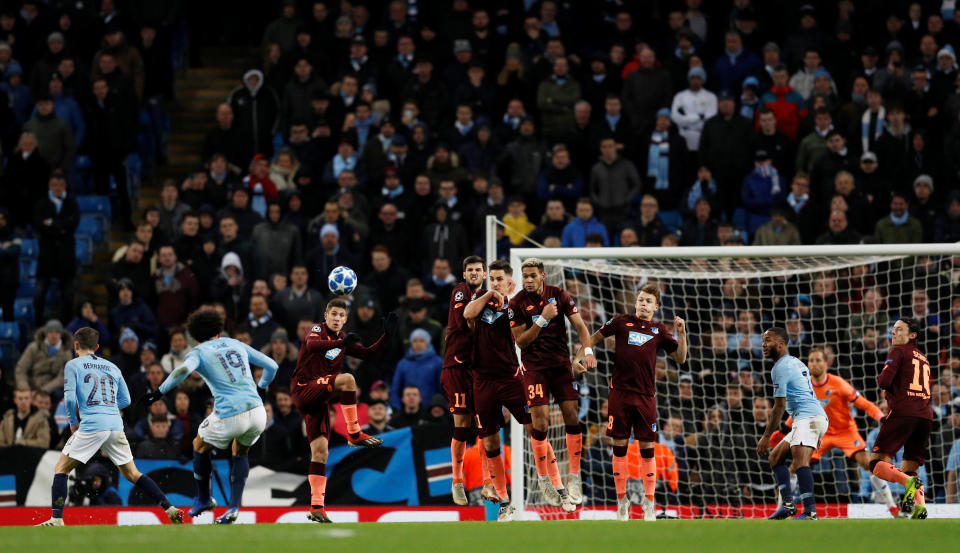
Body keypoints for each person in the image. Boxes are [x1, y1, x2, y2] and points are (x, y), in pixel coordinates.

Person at [140, 309, 279, 524]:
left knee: (199, 445)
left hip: (231, 413)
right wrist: (261, 389)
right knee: (240, 451)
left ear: (194, 336)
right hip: (258, 412)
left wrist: (158, 393)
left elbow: (181, 372)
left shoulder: (198, 351)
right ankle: (233, 507)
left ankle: (204, 498)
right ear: (218, 330)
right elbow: (272, 365)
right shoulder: (236, 343)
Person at [36, 327, 183, 526]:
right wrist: (108, 408)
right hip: (115, 424)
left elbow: (70, 400)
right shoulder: (112, 367)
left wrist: (73, 423)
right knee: (133, 473)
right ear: (96, 347)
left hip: (92, 425)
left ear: (76, 345)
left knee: (61, 469)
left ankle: (56, 518)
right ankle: (169, 508)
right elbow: (126, 400)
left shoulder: (73, 365)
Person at [464, 259, 576, 520]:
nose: (495, 282)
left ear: (510, 280)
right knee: (490, 441)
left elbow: (524, 338)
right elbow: (468, 314)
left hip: (511, 377)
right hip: (482, 381)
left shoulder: (516, 306)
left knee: (535, 430)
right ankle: (504, 501)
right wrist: (491, 293)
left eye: (499, 279)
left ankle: (556, 485)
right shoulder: (481, 302)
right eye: (492, 278)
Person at [573, 283, 687, 521]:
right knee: (620, 449)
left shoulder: (659, 330)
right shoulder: (620, 322)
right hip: (620, 394)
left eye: (648, 301)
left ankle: (648, 503)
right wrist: (579, 358)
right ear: (636, 302)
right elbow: (591, 338)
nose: (644, 304)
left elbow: (681, 358)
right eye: (641, 300)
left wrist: (682, 333)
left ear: (656, 307)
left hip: (646, 396)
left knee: (647, 450)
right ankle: (622, 502)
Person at [291, 298, 397, 523]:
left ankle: (316, 506)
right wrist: (341, 344)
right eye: (334, 314)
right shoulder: (318, 330)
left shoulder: (341, 340)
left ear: (346, 319)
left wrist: (386, 335)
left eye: (341, 316)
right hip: (303, 388)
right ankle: (354, 433)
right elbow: (311, 346)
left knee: (320, 451)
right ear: (326, 315)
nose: (337, 319)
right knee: (348, 379)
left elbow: (369, 354)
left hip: (318, 400)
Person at [509, 258, 597, 506]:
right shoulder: (516, 304)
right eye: (525, 275)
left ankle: (574, 477)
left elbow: (580, 326)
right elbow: (521, 342)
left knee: (572, 416)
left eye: (532, 275)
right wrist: (542, 319)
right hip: (535, 368)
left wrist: (587, 352)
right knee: (540, 422)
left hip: (560, 366)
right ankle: (544, 477)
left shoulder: (559, 294)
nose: (528, 279)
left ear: (543, 276)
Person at [769, 347, 897, 515]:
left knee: (869, 463)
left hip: (845, 432)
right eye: (811, 360)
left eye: (818, 360)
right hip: (819, 433)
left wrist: (881, 418)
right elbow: (798, 412)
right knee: (794, 466)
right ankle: (782, 509)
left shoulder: (839, 384)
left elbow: (864, 404)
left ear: (826, 363)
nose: (814, 364)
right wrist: (783, 431)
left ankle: (893, 507)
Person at [756, 327, 828, 520]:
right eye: (763, 340)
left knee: (799, 461)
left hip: (809, 418)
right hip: (810, 419)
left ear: (780, 344)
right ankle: (788, 505)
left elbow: (779, 407)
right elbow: (806, 396)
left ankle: (810, 512)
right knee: (775, 458)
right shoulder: (797, 363)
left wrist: (765, 436)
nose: (764, 344)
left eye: (768, 340)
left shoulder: (780, 367)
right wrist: (816, 431)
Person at [868, 317, 935, 520]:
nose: (893, 333)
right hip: (925, 416)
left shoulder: (898, 351)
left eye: (899, 330)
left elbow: (884, 381)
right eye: (893, 330)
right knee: (910, 466)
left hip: (904, 412)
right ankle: (920, 507)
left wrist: (884, 380)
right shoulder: (923, 358)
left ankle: (908, 484)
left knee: (876, 464)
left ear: (912, 335)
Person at [443, 255, 494, 505]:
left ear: (484, 274)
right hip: (457, 367)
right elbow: (469, 318)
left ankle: (487, 481)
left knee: (486, 424)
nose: (474, 273)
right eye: (470, 270)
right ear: (464, 274)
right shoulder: (460, 292)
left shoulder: (488, 295)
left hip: (479, 369)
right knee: (462, 426)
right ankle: (457, 482)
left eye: (478, 270)